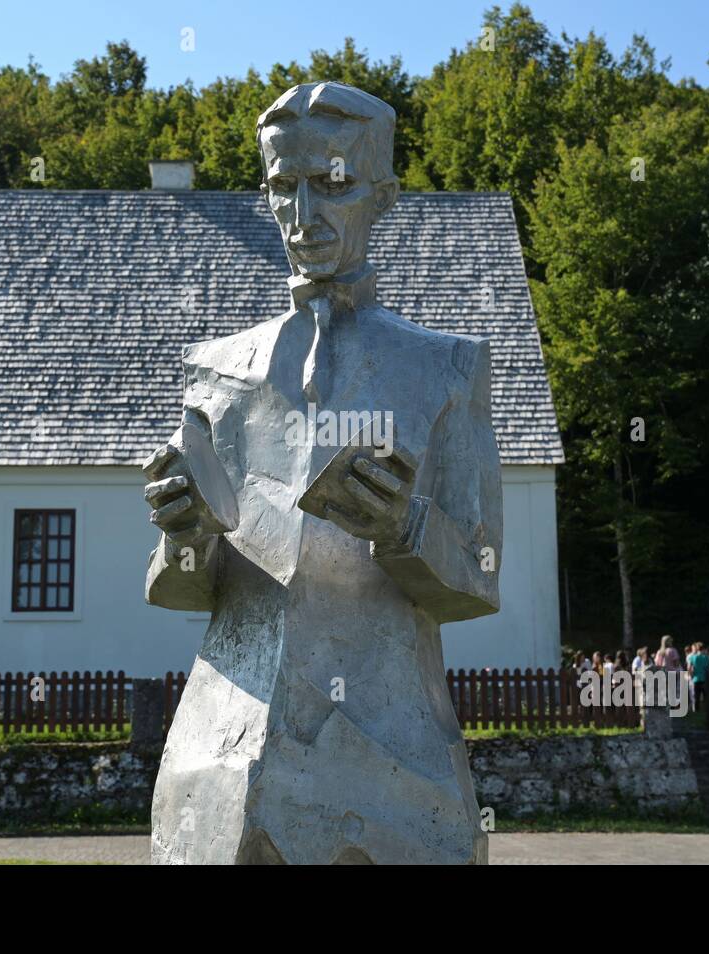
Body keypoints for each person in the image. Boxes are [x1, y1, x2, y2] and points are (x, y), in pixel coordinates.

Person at [144, 82, 497, 864]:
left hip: (393, 767)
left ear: (384, 197)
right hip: (220, 758)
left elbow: (478, 576)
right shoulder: (213, 371)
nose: (304, 215)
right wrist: (186, 533)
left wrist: (403, 527)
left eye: (334, 184)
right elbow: (182, 585)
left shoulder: (447, 368)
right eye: (284, 187)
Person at [687, 642, 709, 707]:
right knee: (706, 696)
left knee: (696, 697)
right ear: (703, 649)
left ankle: (696, 710)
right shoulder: (707, 658)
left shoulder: (692, 657)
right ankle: (707, 709)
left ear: (697, 649)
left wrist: (691, 676)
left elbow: (689, 668)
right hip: (705, 679)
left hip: (695, 679)